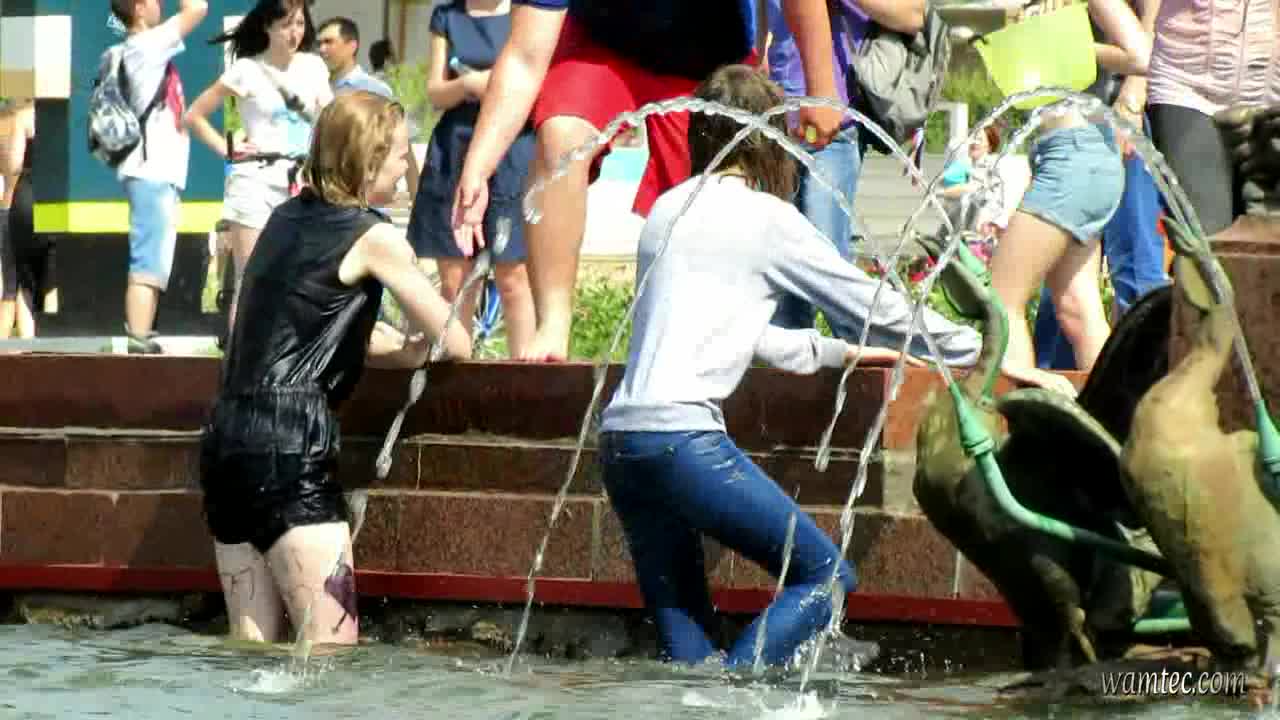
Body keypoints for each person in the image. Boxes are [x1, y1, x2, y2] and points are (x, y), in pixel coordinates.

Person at [599, 65, 981, 667]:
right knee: (825, 576)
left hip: (622, 446)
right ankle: (737, 696)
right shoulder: (766, 219)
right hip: (683, 442)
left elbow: (740, 335)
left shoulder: (669, 209)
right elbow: (870, 305)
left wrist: (837, 353)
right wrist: (972, 348)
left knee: (687, 653)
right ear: (768, 140)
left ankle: (704, 698)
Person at [199, 91, 473, 646]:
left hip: (227, 440)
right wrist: (423, 342)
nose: (406, 166)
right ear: (369, 163)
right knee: (331, 650)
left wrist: (395, 350)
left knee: (248, 649)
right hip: (293, 445)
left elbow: (303, 325)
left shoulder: (283, 218)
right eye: (400, 154)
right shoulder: (373, 236)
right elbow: (456, 341)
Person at [450, 0, 849, 361]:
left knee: (714, 198)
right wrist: (479, 165)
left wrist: (822, 89)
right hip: (599, 49)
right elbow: (524, 57)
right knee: (561, 135)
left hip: (709, 55)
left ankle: (711, 338)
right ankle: (553, 323)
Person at [984, 0, 1151, 394]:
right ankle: (1111, 418)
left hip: (1076, 154)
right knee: (1077, 308)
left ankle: (1020, 421)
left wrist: (1071, 45)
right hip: (1072, 156)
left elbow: (1141, 55)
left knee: (1000, 301)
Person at [761, 0, 925, 338]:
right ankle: (796, 365)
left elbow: (912, 15)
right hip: (776, 117)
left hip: (829, 123)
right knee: (781, 270)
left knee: (829, 267)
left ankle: (867, 355)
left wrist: (821, 92)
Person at [184, 0, 333, 336]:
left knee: (299, 275)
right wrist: (227, 149)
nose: (294, 33)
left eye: (299, 24)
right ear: (267, 26)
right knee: (250, 277)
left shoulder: (313, 66)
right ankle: (240, 358)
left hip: (302, 183)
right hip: (254, 180)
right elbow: (194, 115)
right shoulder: (246, 69)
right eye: (285, 25)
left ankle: (285, 352)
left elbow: (330, 117)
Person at [1034, 0, 1168, 370]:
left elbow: (1147, 34)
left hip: (1110, 117)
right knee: (1064, 289)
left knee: (1134, 268)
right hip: (1065, 130)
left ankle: (1144, 383)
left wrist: (1133, 97)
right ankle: (1067, 385)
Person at [407, 0, 535, 356]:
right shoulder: (446, 15)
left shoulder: (526, 10)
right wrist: (468, 84)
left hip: (513, 144)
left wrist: (499, 86)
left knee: (513, 276)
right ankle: (457, 371)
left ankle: (528, 375)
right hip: (455, 146)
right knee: (455, 279)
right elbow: (435, 91)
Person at [107, 0, 209, 353]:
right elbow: (197, 8)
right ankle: (138, 337)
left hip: (155, 171)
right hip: (152, 171)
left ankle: (142, 335)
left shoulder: (142, 48)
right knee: (149, 257)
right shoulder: (146, 45)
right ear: (138, 8)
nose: (160, 4)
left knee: (154, 257)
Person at [1147, 0, 1279, 237]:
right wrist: (1134, 79)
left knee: (1271, 236)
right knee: (1205, 237)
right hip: (1189, 87)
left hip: (1272, 89)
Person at [0, 98, 51, 340]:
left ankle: (18, 349)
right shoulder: (42, 116)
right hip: (38, 207)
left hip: (12, 206)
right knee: (31, 286)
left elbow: (11, 167)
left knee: (14, 288)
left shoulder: (14, 118)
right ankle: (28, 348)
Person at [315, 17, 394, 98]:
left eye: (329, 42)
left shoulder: (375, 90)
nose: (321, 49)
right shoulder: (314, 88)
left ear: (352, 46)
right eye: (318, 44)